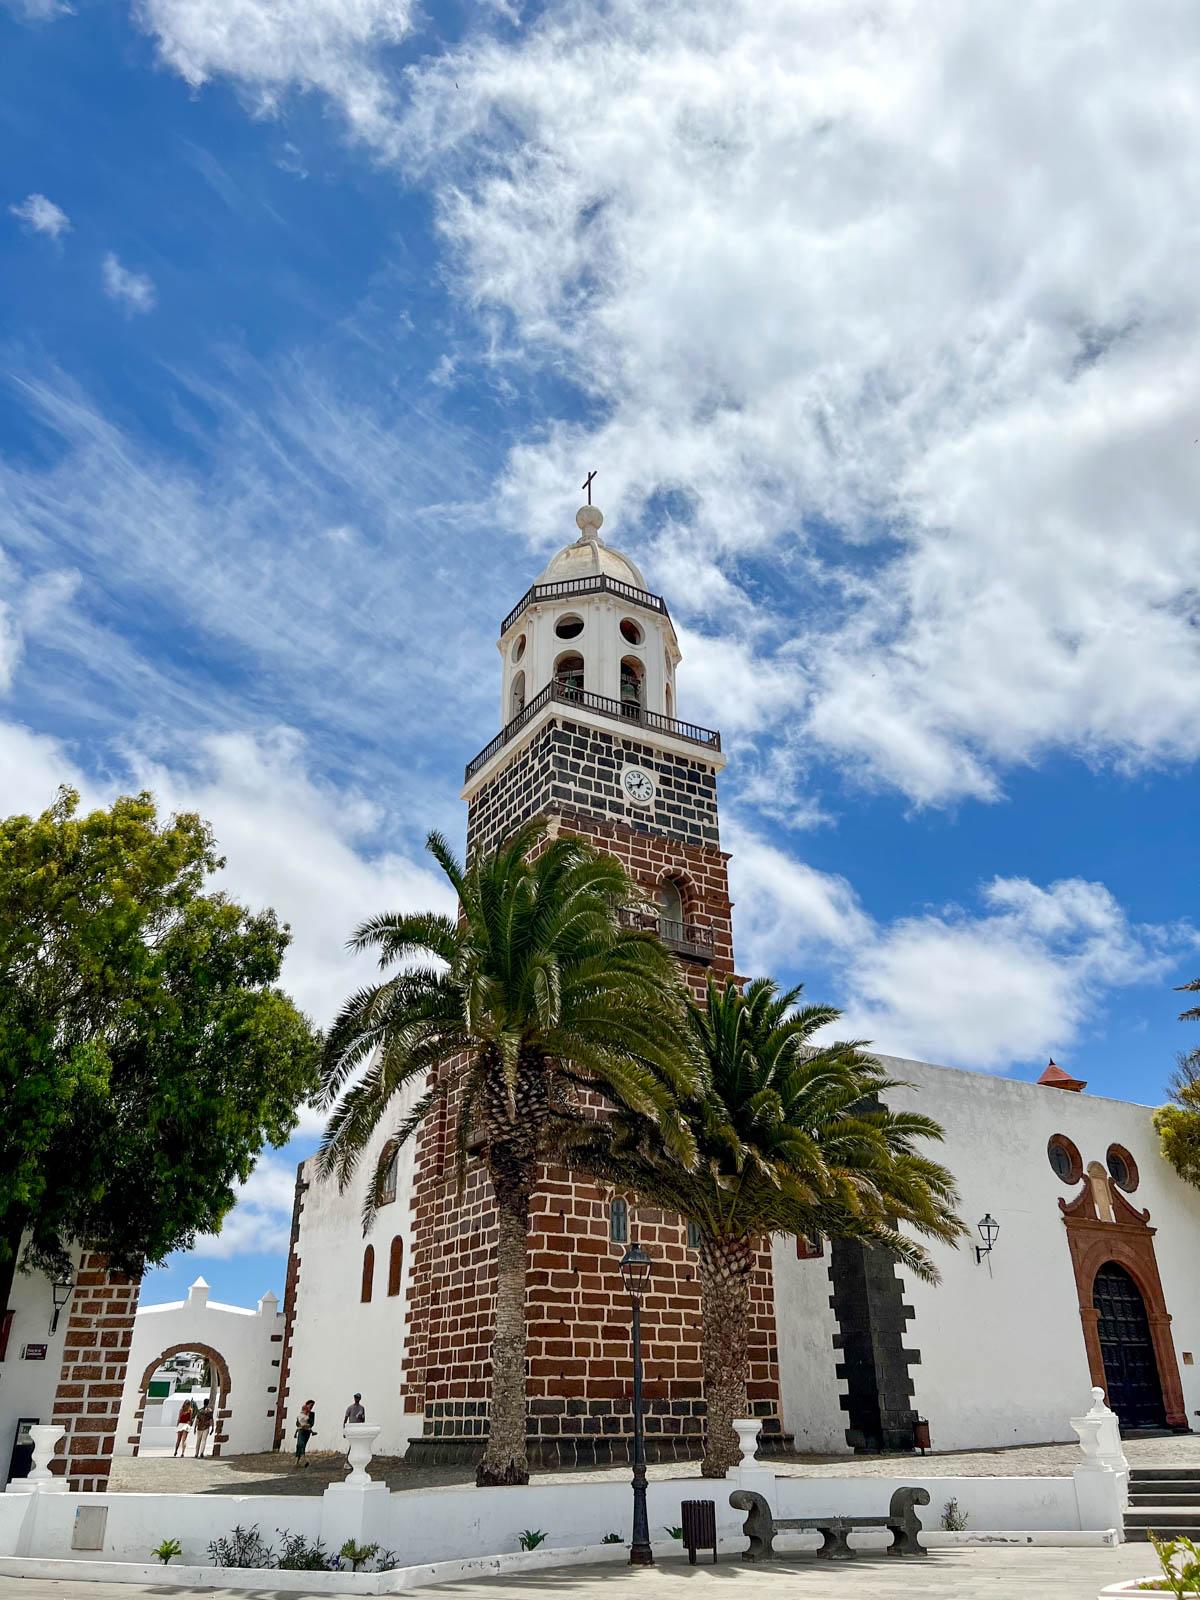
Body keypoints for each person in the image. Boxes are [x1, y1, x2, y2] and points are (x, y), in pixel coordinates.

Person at [294, 1400, 316, 1468]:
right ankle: (298, 1460)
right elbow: (297, 1422)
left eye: (312, 1406)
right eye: (311, 1405)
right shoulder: (301, 1413)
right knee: (299, 1444)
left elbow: (312, 1423)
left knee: (303, 1444)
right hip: (301, 1430)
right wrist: (299, 1425)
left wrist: (308, 1425)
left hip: (307, 1431)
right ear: (307, 1405)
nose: (311, 1407)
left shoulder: (312, 1414)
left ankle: (302, 1459)